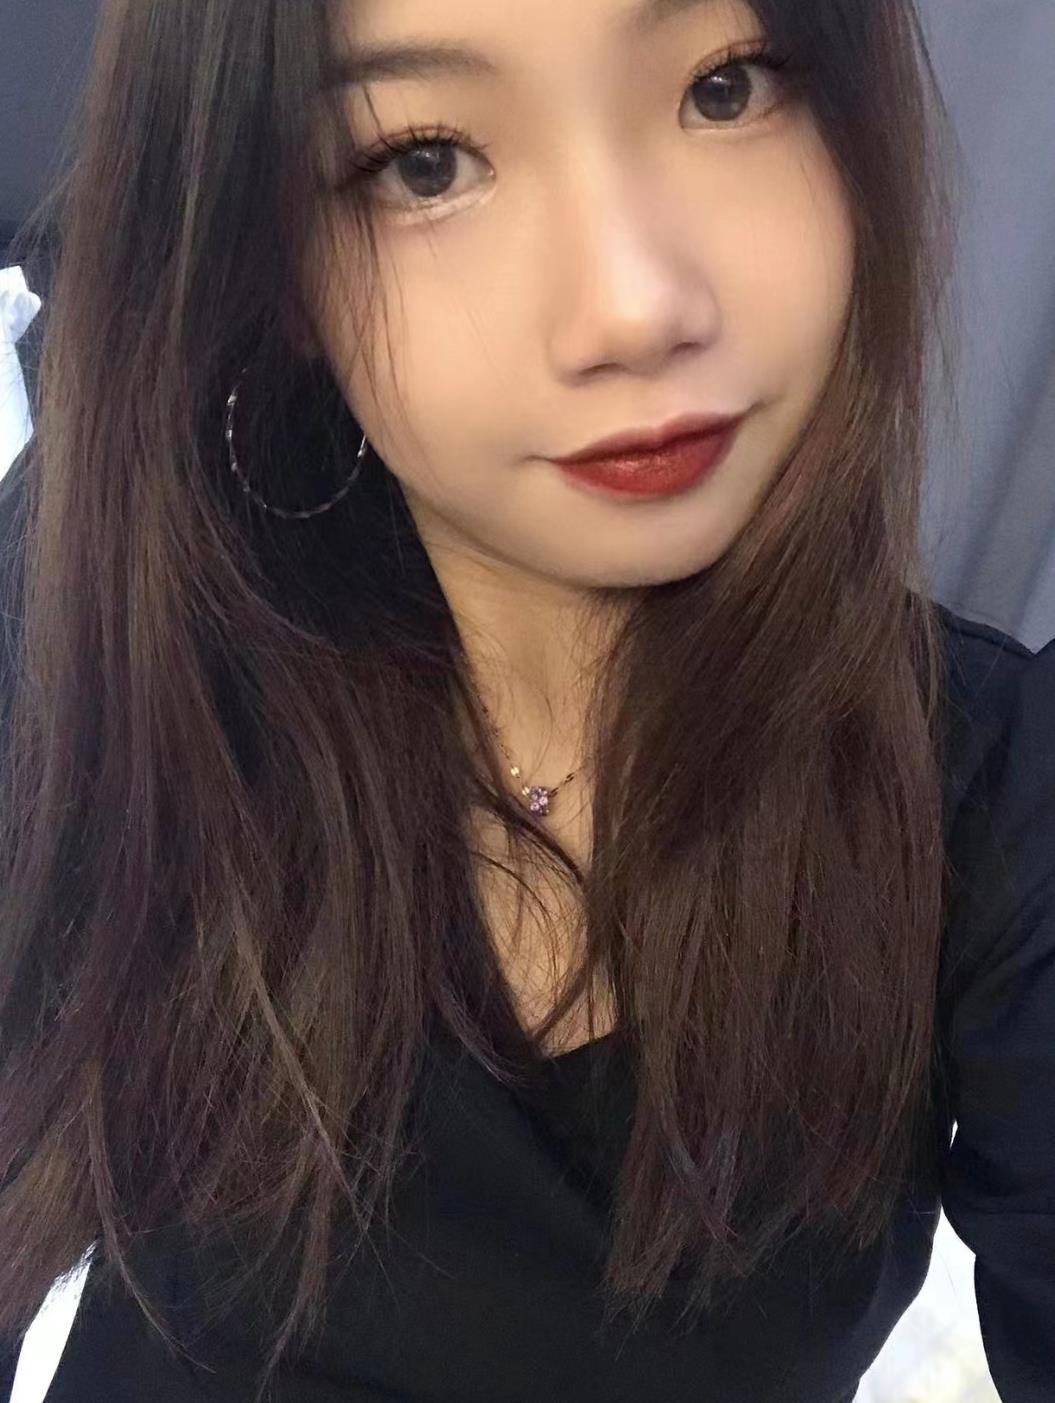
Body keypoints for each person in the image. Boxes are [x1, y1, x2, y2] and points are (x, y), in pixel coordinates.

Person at [0, 0, 1052, 1398]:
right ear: (273, 257)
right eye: (425, 162)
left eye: (726, 87)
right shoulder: (122, 622)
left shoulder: (994, 801)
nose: (635, 306)